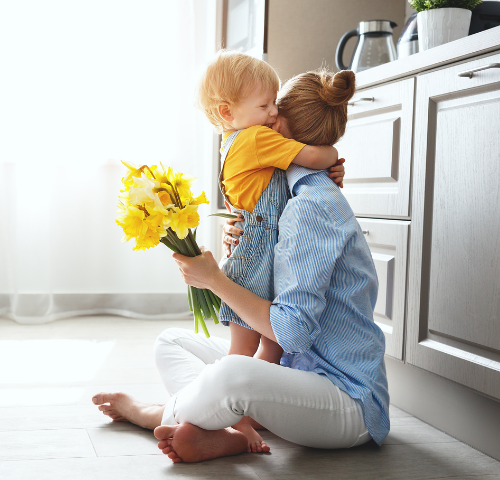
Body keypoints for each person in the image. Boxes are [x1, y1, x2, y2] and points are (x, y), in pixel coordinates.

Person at [92, 68, 389, 463]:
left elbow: (292, 334)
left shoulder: (311, 206)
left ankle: (152, 414)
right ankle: (226, 429)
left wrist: (214, 280)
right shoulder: (287, 192)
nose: (263, 117)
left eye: (271, 107)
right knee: (173, 342)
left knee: (232, 373)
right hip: (294, 375)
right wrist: (243, 235)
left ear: (278, 128)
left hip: (345, 400)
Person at [194, 50, 346, 450]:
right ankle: (229, 416)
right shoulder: (256, 137)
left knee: (266, 344)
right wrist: (332, 154)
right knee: (250, 348)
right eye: (265, 105)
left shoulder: (234, 140)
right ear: (228, 111)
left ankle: (240, 416)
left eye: (276, 103)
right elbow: (312, 155)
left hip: (255, 248)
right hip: (256, 253)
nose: (273, 112)